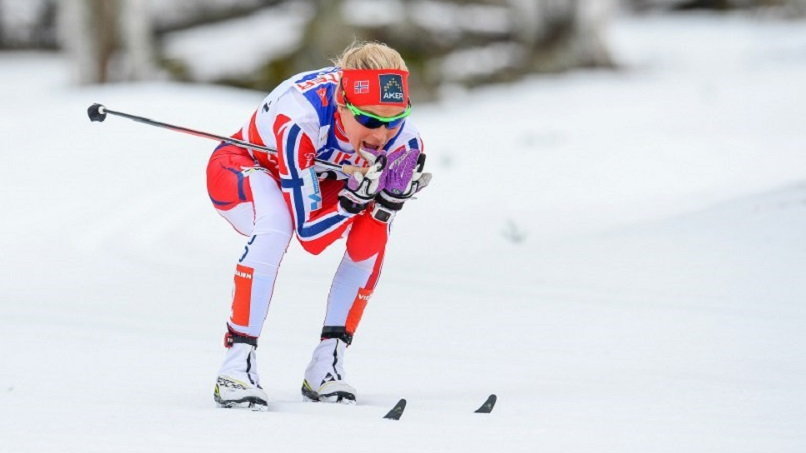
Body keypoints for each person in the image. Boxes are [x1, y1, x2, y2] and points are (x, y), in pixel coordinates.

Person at [206, 41, 431, 409]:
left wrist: (384, 206)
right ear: (343, 105)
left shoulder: (405, 140)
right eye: (370, 121)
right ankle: (235, 368)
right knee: (276, 223)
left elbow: (366, 239)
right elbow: (309, 234)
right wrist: (354, 199)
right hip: (246, 167)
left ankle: (326, 364)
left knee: (374, 225)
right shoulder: (300, 116)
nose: (381, 135)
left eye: (393, 121)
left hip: (322, 180)